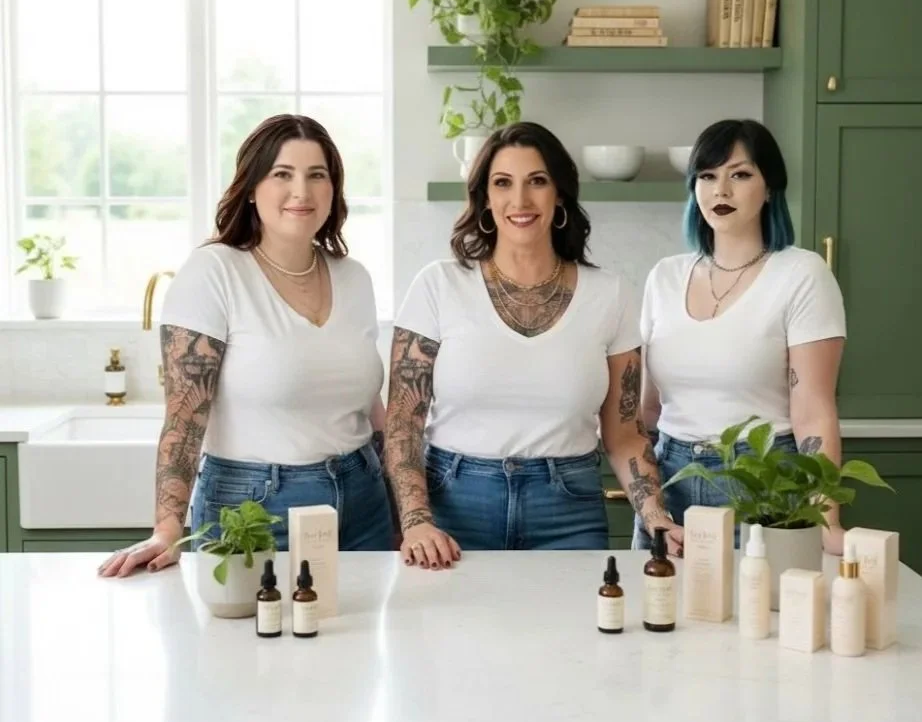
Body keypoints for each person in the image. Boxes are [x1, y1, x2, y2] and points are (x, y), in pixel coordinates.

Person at [98, 114, 393, 578]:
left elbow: (368, 402)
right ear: (252, 187)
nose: (303, 191)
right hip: (253, 509)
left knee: (359, 645)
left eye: (318, 175)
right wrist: (167, 528)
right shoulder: (213, 273)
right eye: (282, 174)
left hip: (364, 502)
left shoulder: (354, 278)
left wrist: (407, 508)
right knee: (252, 647)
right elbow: (184, 415)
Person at [384, 121, 683, 571]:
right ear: (485, 197)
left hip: (568, 509)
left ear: (559, 194)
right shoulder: (438, 286)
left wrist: (656, 516)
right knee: (452, 642)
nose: (520, 201)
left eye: (537, 182)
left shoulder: (611, 294)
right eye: (502, 183)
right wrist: (416, 521)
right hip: (456, 506)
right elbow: (404, 422)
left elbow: (624, 435)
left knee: (576, 639)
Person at [637, 118, 847, 555]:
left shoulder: (801, 274)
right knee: (656, 614)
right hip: (671, 484)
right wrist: (648, 501)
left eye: (741, 174)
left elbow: (813, 411)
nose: (721, 191)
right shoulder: (665, 276)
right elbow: (647, 410)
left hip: (763, 486)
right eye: (708, 176)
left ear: (770, 187)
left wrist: (824, 517)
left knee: (756, 618)